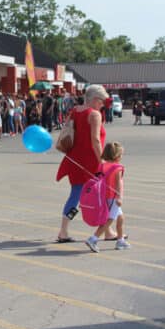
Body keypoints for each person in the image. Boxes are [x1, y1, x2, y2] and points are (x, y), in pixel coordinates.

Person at [55, 84, 109, 243]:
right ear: (94, 99)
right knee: (102, 194)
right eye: (101, 101)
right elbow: (95, 140)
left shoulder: (76, 111)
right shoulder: (94, 115)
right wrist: (103, 161)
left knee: (76, 196)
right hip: (90, 162)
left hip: (75, 160)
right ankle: (107, 230)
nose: (102, 104)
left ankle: (64, 230)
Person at [85, 142, 130, 252]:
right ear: (117, 156)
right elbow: (118, 182)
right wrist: (119, 197)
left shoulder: (102, 165)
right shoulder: (118, 168)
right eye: (121, 155)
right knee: (109, 219)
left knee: (120, 218)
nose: (121, 157)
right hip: (113, 197)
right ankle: (93, 238)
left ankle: (120, 241)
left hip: (104, 196)